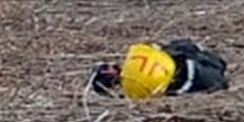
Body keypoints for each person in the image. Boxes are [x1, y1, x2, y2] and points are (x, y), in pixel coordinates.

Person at [91, 40, 228, 99]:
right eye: (105, 68)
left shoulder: (134, 92)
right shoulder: (134, 84)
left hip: (196, 76)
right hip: (195, 74)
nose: (110, 65)